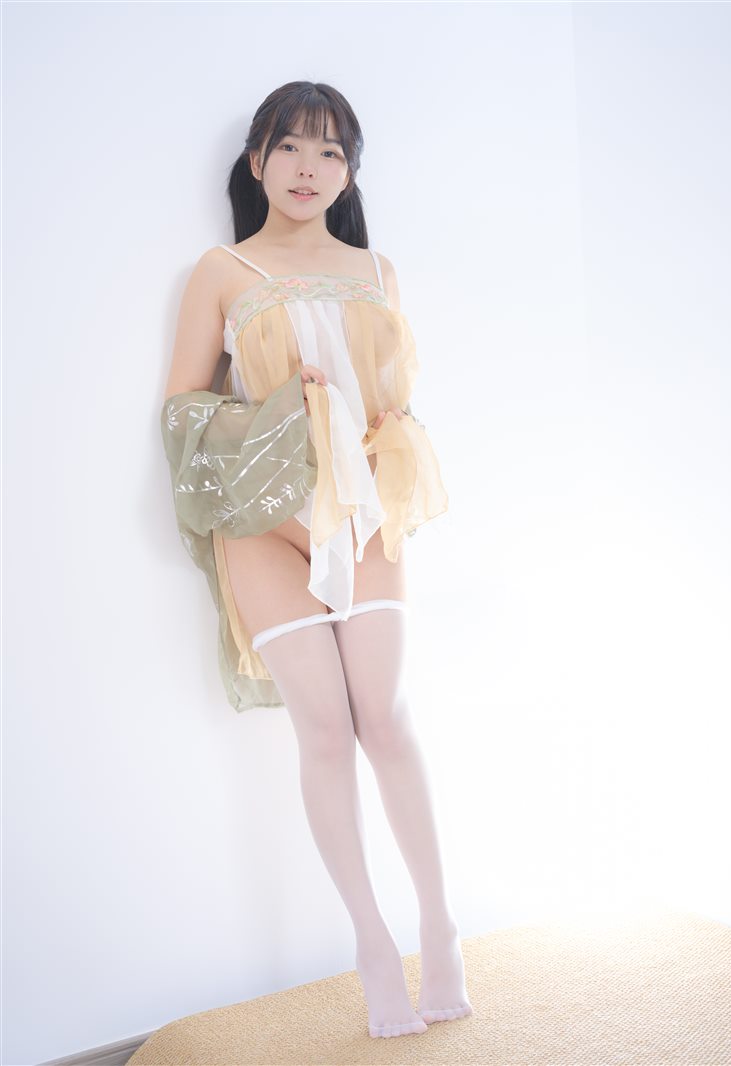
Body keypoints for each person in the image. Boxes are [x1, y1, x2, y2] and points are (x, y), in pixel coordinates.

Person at [160, 80, 472, 1040]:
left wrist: (387, 427)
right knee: (326, 732)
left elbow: (392, 397)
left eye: (331, 152)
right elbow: (180, 411)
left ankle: (439, 924)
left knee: (386, 718)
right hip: (264, 522)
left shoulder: (378, 270)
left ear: (349, 174)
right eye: (290, 147)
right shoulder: (222, 270)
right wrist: (274, 414)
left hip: (362, 511)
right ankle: (373, 943)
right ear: (256, 160)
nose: (309, 168)